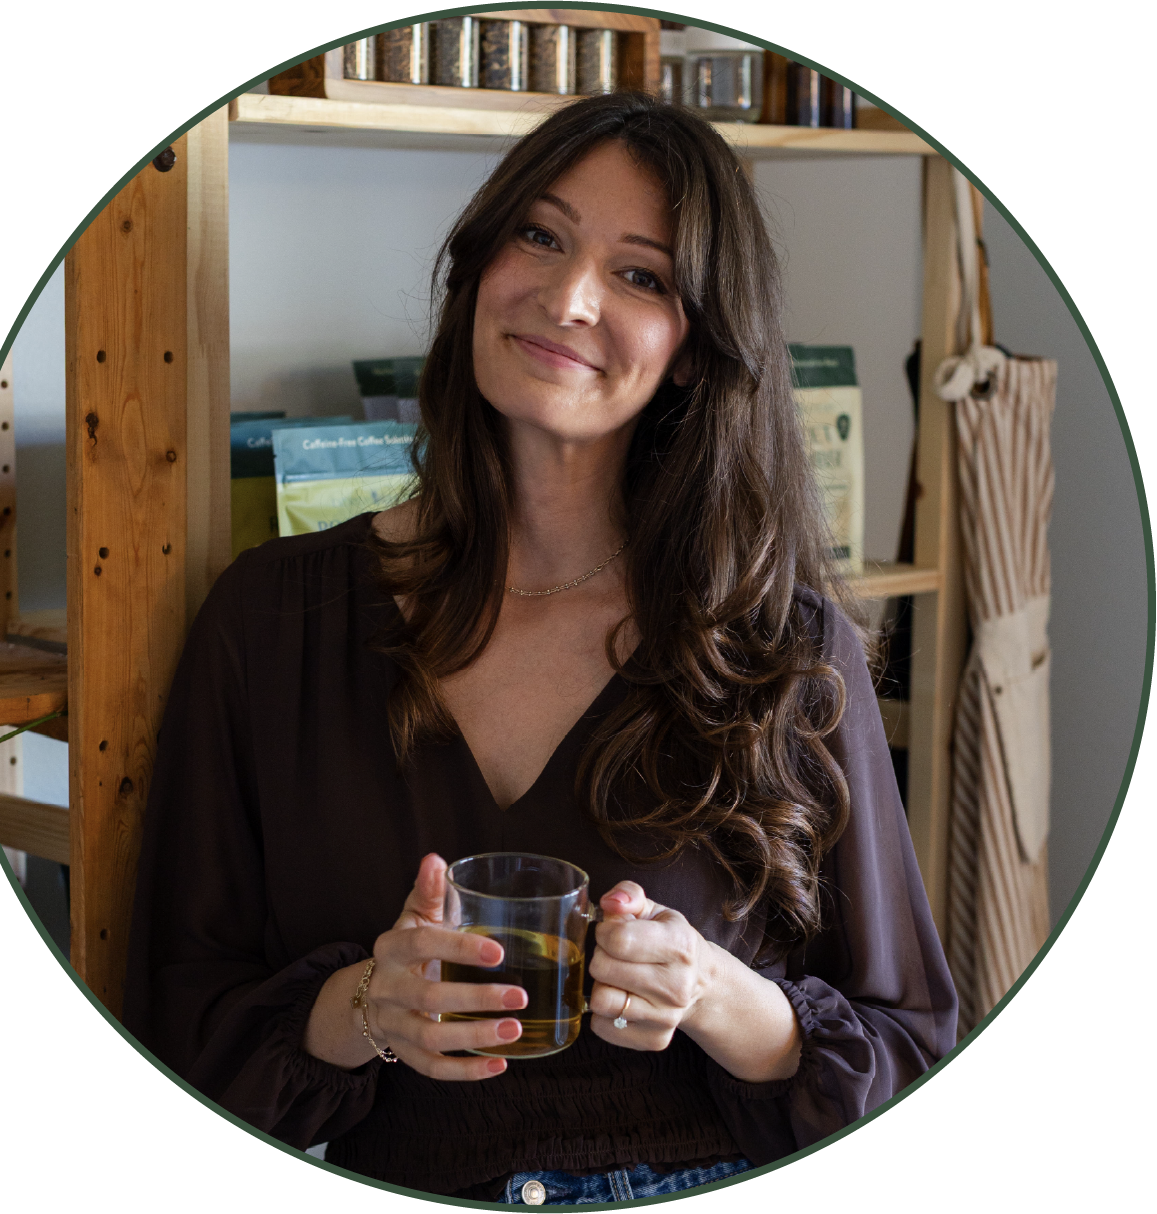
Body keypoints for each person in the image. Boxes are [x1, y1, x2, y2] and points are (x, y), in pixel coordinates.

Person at [124, 91, 957, 1203]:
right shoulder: (271, 621)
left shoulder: (784, 647)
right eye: (540, 234)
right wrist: (365, 1005)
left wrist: (713, 992)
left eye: (640, 274)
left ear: (695, 348)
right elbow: (175, 1037)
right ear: (478, 263)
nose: (566, 297)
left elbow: (910, 1057)